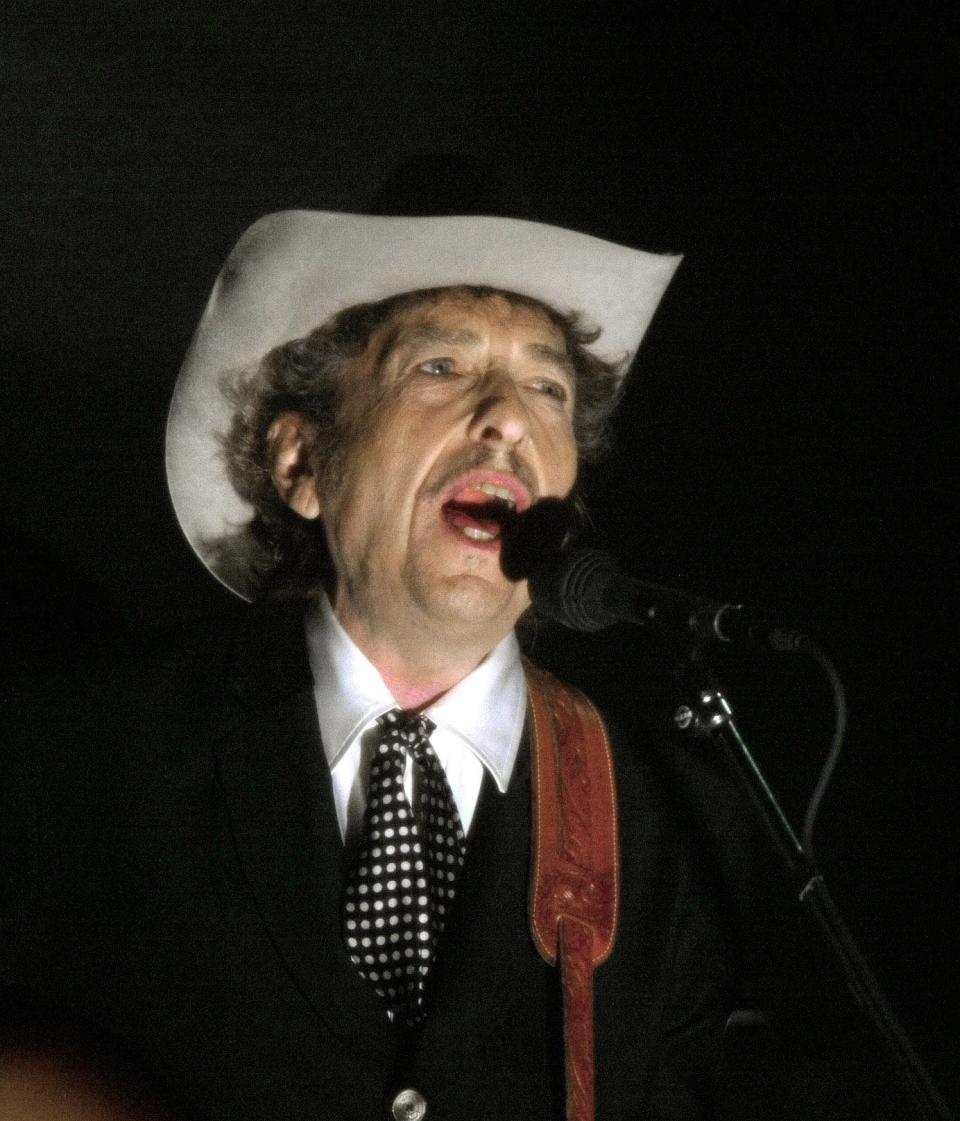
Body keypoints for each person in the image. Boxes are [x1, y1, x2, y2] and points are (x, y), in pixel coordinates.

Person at [1, 211, 754, 1120]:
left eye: (547, 388)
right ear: (301, 461)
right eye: (440, 367)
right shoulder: (74, 742)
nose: (508, 419)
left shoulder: (673, 821)